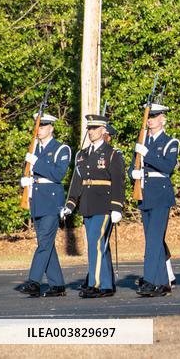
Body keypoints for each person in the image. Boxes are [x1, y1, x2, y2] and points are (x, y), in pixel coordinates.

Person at [61, 115, 125, 298]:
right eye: (89, 128)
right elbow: (77, 182)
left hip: (104, 205)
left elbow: (118, 182)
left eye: (95, 128)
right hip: (87, 205)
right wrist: (70, 204)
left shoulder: (112, 153)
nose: (91, 132)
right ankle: (106, 285)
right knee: (99, 245)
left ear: (104, 130)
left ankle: (95, 284)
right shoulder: (82, 154)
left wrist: (117, 207)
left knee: (95, 244)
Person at [18, 110, 70, 298]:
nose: (39, 129)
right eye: (38, 125)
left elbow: (58, 174)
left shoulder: (61, 149)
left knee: (44, 243)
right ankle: (57, 285)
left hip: (51, 202)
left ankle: (34, 281)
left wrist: (36, 162)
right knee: (46, 244)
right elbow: (26, 172)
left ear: (51, 128)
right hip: (37, 201)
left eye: (43, 126)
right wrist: (23, 181)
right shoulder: (34, 149)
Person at [129, 102, 179, 296]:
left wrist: (147, 154)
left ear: (162, 118)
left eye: (154, 116)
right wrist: (132, 173)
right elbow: (134, 164)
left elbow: (168, 167)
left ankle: (150, 280)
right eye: (149, 116)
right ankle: (162, 283)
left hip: (160, 194)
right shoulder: (142, 140)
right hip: (144, 193)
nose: (150, 120)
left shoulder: (170, 142)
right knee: (154, 240)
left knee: (153, 240)